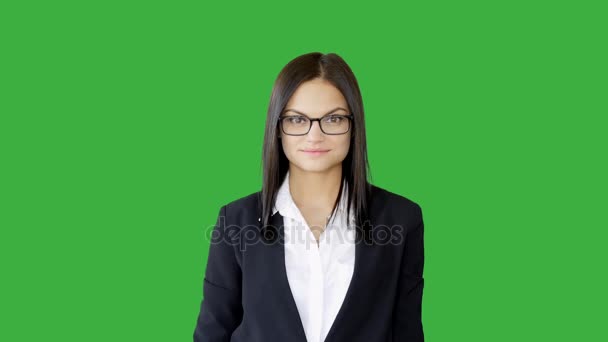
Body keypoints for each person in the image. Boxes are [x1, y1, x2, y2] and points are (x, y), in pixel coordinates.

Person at [193, 52, 425, 342]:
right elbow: (212, 333)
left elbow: (408, 333)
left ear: (354, 126)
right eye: (297, 119)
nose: (314, 135)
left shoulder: (402, 219)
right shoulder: (235, 221)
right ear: (278, 128)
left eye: (334, 118)